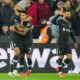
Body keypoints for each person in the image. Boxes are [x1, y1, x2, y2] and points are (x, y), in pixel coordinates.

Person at [52, 10, 77, 77]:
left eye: (70, 14)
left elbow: (71, 33)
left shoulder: (69, 23)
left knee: (69, 58)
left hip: (67, 43)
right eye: (68, 14)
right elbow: (53, 21)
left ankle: (59, 66)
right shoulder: (60, 21)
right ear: (64, 14)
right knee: (61, 56)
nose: (69, 15)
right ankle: (60, 72)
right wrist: (58, 15)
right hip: (61, 42)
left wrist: (74, 42)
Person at [8, 10, 33, 77]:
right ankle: (15, 71)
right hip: (17, 39)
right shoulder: (16, 20)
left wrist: (14, 29)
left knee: (27, 57)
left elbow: (23, 33)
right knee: (18, 54)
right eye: (21, 15)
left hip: (27, 41)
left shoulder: (28, 23)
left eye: (23, 15)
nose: (22, 16)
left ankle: (29, 70)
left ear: (26, 16)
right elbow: (14, 26)